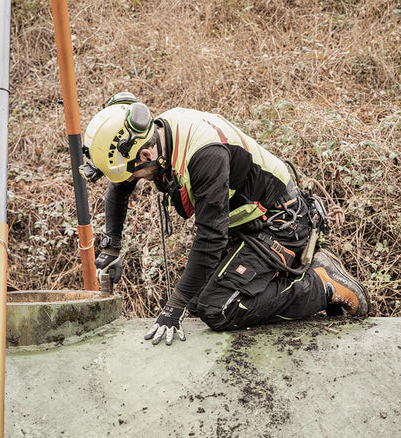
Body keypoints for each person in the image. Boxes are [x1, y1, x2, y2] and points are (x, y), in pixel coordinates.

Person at [79, 92, 371, 346]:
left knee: (217, 309)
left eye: (135, 173)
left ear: (145, 153)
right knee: (196, 299)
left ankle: (322, 284)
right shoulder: (154, 136)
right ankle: (279, 276)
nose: (133, 180)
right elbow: (119, 188)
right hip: (246, 222)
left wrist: (172, 309)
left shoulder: (205, 154)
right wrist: (111, 246)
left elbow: (210, 237)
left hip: (280, 221)